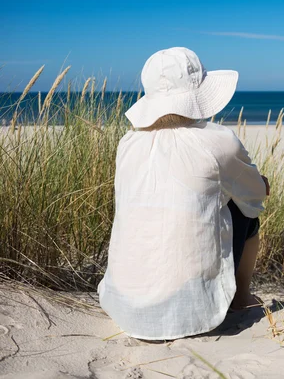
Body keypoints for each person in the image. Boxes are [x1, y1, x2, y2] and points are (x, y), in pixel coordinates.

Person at [98, 47, 269, 340]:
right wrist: (260, 184)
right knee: (246, 209)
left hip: (125, 305)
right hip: (191, 309)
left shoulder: (128, 142)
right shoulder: (217, 141)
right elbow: (256, 194)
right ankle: (241, 297)